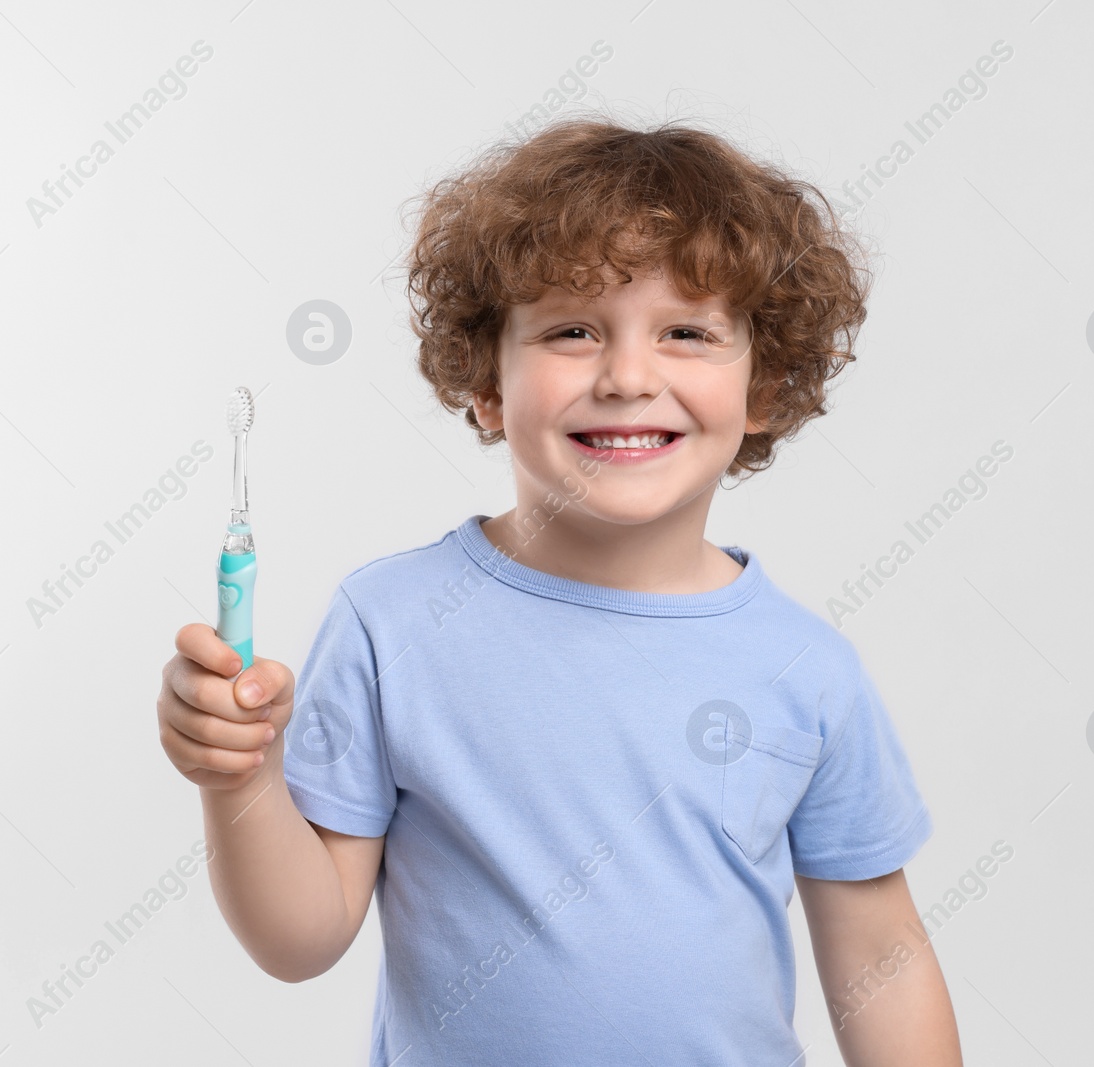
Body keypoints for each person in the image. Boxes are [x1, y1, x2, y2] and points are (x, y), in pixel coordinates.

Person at [158, 113, 964, 1066]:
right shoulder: (392, 625)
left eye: (688, 332)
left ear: (765, 386)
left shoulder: (808, 669)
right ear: (487, 382)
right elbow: (299, 940)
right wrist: (238, 774)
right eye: (573, 330)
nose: (628, 376)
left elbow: (882, 953)